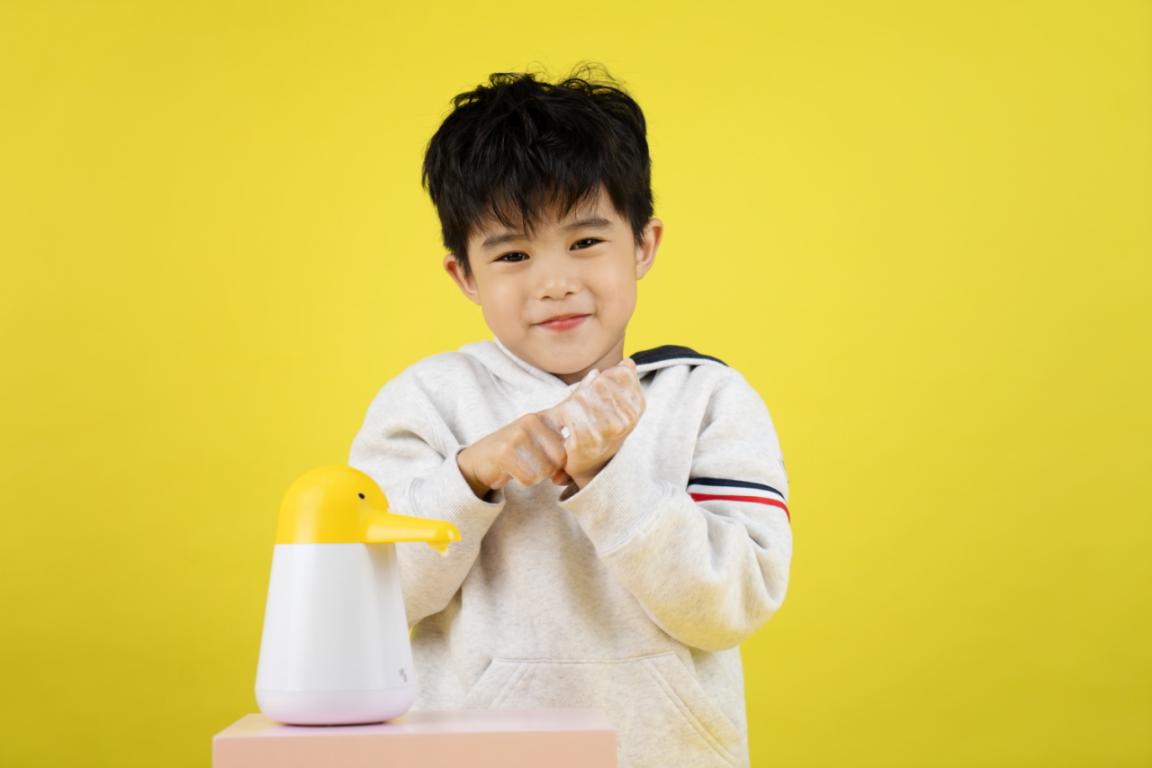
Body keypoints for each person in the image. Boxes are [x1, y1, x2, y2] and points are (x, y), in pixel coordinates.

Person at [348, 61, 792, 768]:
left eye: (585, 242)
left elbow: (732, 603)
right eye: (513, 254)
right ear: (464, 275)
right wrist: (469, 477)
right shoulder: (426, 401)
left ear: (643, 245)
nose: (554, 283)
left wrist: (609, 475)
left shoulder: (707, 398)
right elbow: (369, 602)